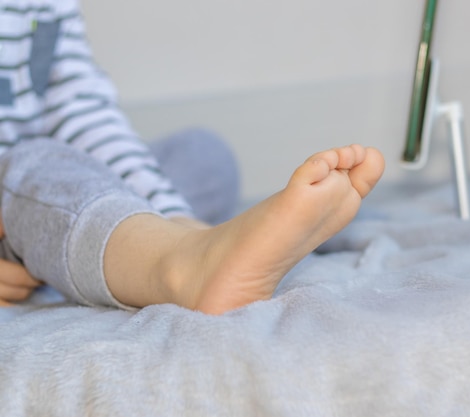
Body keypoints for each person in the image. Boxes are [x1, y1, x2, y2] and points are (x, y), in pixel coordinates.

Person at [0, 1, 385, 314]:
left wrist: (175, 214)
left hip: (50, 188)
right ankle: (180, 267)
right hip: (22, 191)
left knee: (204, 157)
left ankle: (187, 238)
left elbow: (82, 116)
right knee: (38, 164)